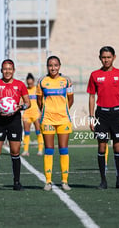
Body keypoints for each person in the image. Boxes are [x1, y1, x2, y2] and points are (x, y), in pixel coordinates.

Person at [87, 46, 119, 189]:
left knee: (117, 146)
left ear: (114, 57)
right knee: (101, 145)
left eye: (108, 57)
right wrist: (91, 117)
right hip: (101, 114)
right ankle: (103, 181)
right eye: (103, 57)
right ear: (100, 58)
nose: (106, 60)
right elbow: (92, 96)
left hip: (117, 114)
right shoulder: (94, 75)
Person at [0, 59, 30, 191]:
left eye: (10, 69)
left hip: (14, 120)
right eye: (5, 69)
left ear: (14, 70)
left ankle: (17, 182)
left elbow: (28, 103)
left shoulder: (20, 85)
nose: (7, 71)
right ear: (1, 70)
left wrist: (19, 107)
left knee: (15, 152)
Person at [36, 56, 74, 191]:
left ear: (60, 66)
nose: (53, 68)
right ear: (47, 67)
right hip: (47, 120)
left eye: (56, 65)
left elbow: (71, 99)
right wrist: (47, 112)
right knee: (49, 149)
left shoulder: (67, 81)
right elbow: (39, 101)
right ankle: (48, 181)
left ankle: (64, 181)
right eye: (50, 65)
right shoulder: (41, 81)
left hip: (64, 119)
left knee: (63, 149)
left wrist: (62, 111)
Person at [21, 73, 44, 156]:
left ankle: (40, 150)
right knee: (26, 133)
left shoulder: (37, 89)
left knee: (38, 132)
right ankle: (25, 150)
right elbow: (21, 102)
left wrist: (41, 112)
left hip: (36, 114)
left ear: (33, 81)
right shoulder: (25, 90)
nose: (29, 85)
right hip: (27, 114)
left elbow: (41, 101)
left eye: (31, 83)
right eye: (28, 83)